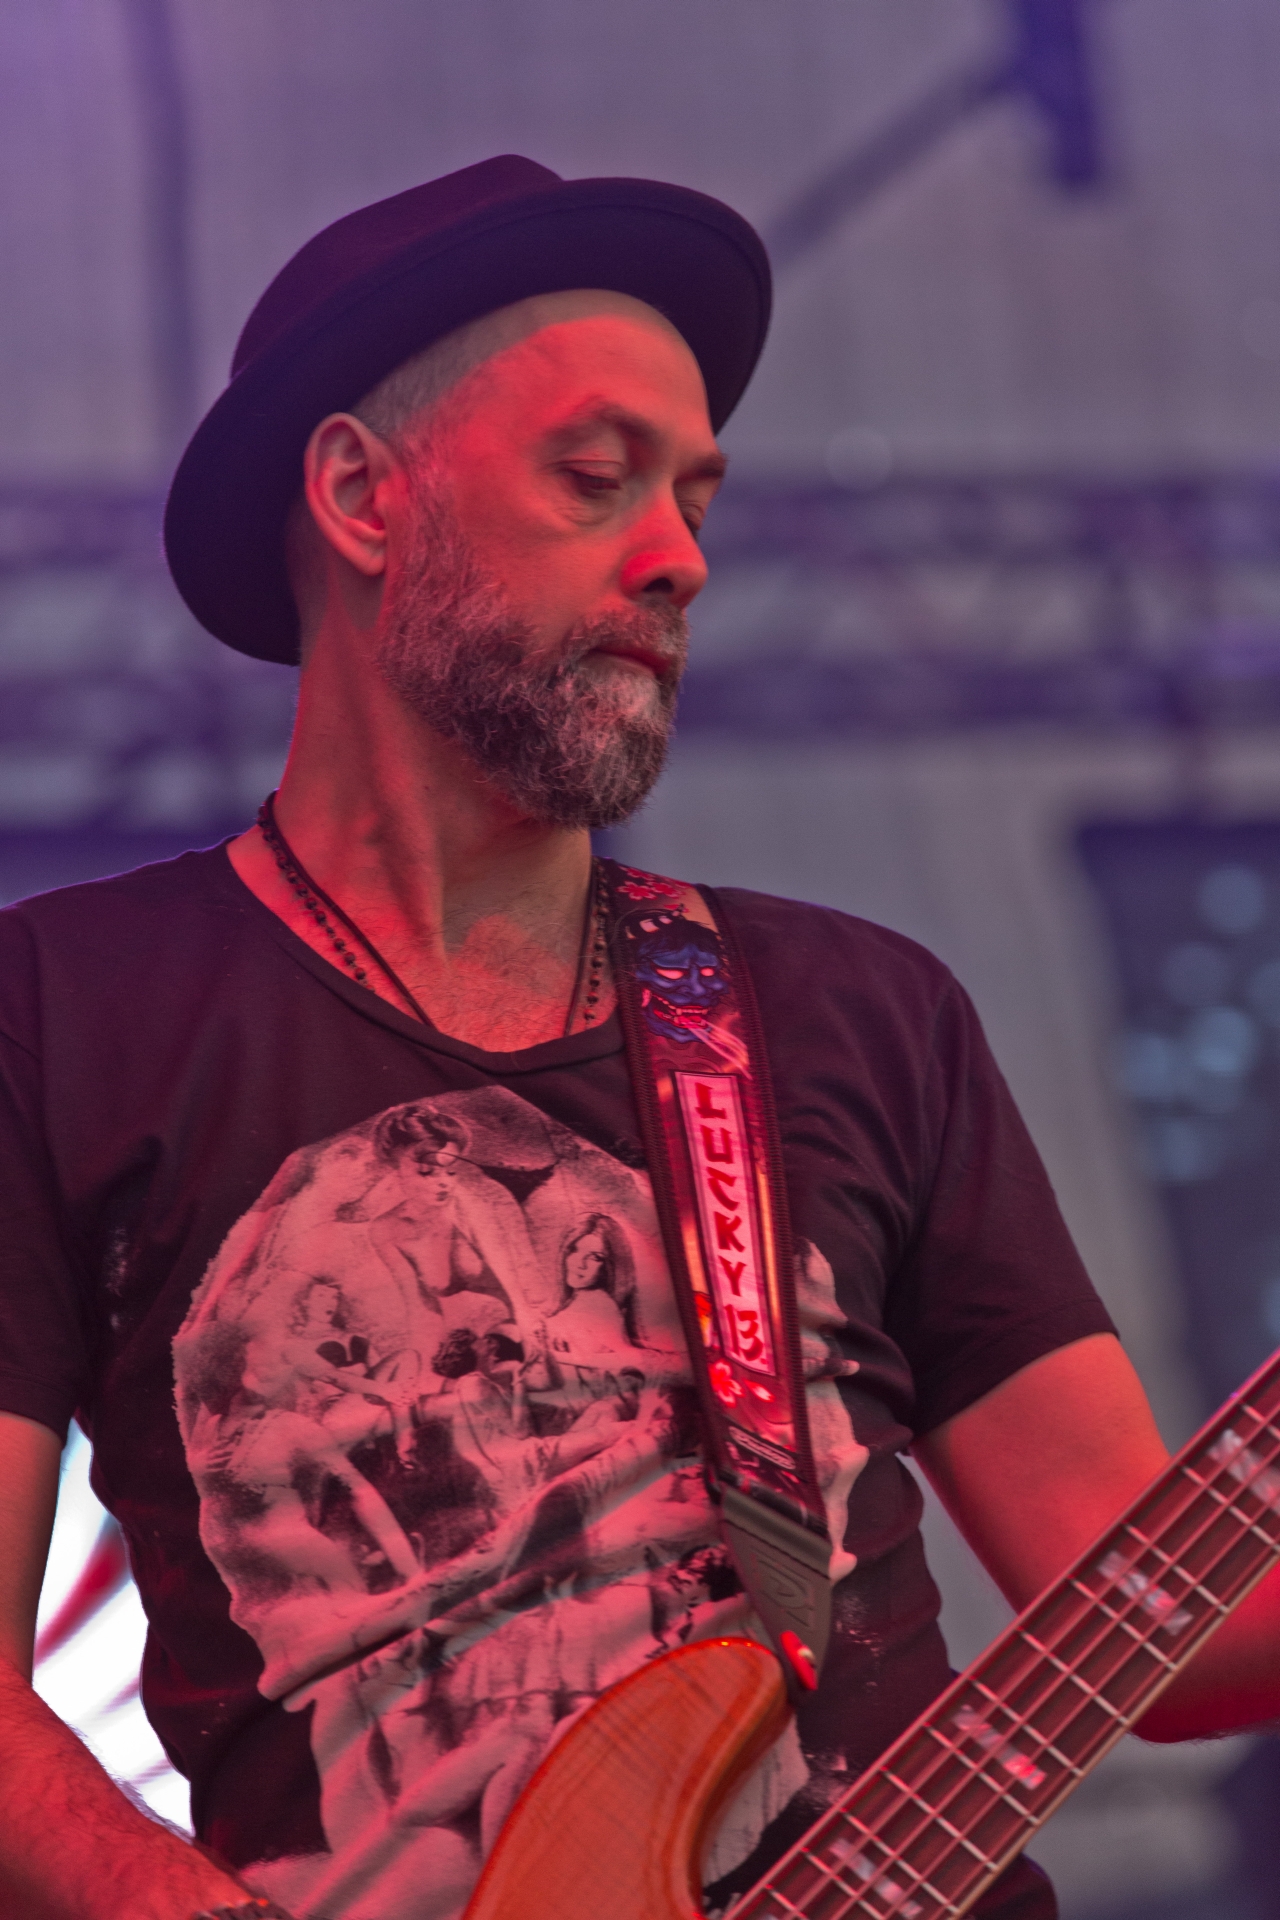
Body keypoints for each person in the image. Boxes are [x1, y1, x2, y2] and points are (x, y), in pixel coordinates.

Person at [0, 153, 1278, 1920]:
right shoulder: (59, 1013)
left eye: (694, 497)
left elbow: (1158, 1628)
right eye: (598, 479)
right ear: (362, 495)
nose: (682, 558)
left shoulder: (859, 1010)